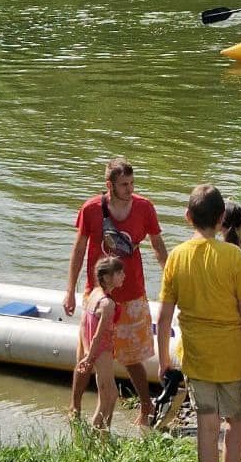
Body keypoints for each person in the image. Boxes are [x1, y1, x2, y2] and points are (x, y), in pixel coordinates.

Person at [157, 184, 241, 462]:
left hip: (197, 358)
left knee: (206, 427)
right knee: (235, 424)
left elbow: (163, 318)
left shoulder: (176, 257)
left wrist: (163, 359)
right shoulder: (233, 257)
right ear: (222, 221)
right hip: (232, 358)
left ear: (188, 217)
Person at [63, 156, 167, 427]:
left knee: (133, 359)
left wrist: (169, 276)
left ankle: (146, 408)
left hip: (132, 294)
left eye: (132, 183)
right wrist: (69, 291)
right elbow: (79, 250)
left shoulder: (144, 208)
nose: (130, 190)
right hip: (97, 296)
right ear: (109, 185)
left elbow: (157, 244)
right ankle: (74, 409)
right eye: (123, 185)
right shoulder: (91, 209)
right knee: (86, 356)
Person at [70, 255, 125, 430]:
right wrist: (90, 357)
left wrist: (86, 353)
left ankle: (104, 431)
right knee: (108, 395)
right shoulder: (107, 304)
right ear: (108, 278)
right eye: (119, 273)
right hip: (102, 351)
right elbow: (98, 335)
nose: (124, 275)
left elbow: (85, 326)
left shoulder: (94, 293)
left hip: (95, 350)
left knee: (112, 393)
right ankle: (96, 433)